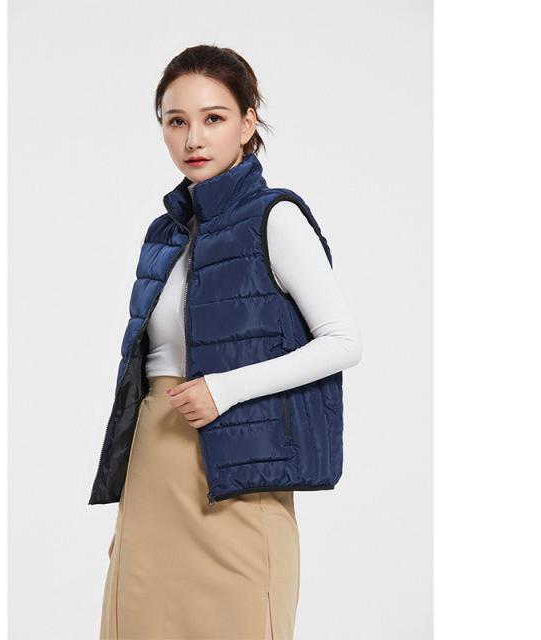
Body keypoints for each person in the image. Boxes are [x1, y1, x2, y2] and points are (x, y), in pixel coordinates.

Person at [91, 44, 363, 639]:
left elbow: (343, 341)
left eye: (213, 118)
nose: (193, 138)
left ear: (246, 123)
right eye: (176, 121)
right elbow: (146, 369)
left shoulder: (276, 218)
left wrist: (226, 388)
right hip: (154, 468)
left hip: (237, 479)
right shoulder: (164, 234)